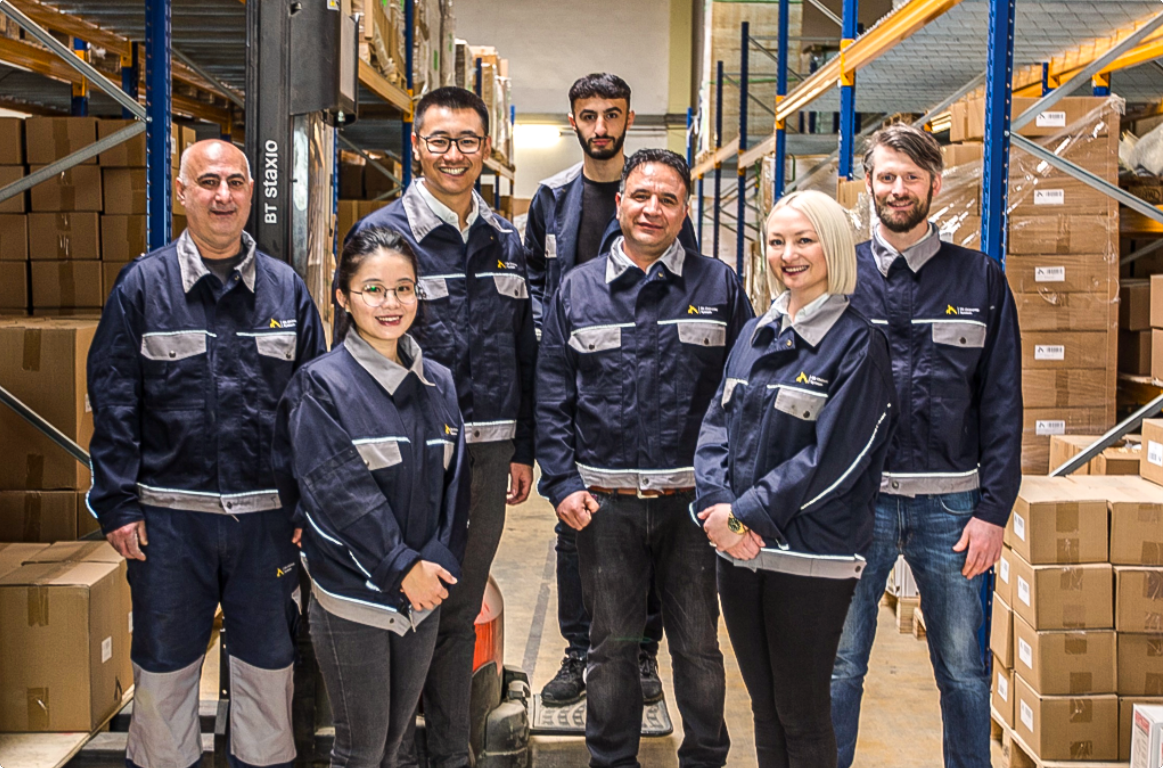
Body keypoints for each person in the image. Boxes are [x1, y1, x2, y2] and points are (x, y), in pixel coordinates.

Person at [86, 139, 327, 768]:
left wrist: (311, 508)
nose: (223, 195)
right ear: (182, 194)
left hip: (267, 525)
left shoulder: (286, 291)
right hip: (169, 524)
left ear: (251, 192)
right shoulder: (143, 287)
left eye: (235, 182)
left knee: (268, 675)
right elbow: (114, 400)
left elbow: (315, 413)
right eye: (208, 182)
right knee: (164, 676)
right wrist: (116, 504)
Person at [537, 148, 753, 768]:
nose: (652, 209)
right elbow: (551, 393)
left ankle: (705, 758)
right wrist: (561, 482)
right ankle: (612, 760)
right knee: (610, 648)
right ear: (620, 203)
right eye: (640, 196)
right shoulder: (578, 289)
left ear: (685, 211)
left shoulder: (718, 286)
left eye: (668, 199)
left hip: (693, 506)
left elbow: (743, 394)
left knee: (697, 647)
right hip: (605, 508)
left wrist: (730, 492)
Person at [346, 86, 536, 767]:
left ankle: (452, 753)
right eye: (440, 140)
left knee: (459, 606)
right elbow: (355, 352)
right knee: (402, 599)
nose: (454, 155)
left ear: (486, 148)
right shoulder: (382, 236)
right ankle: (395, 754)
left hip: (488, 453)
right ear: (417, 145)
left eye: (467, 141)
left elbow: (524, 348)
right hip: (410, 453)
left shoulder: (506, 240)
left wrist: (524, 448)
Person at [830, 124, 1022, 768]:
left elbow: (1002, 401)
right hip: (856, 507)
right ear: (868, 184)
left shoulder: (979, 279)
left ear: (935, 184)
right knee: (839, 666)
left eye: (911, 177)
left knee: (964, 672)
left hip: (953, 511)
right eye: (886, 176)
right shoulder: (839, 276)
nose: (898, 189)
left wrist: (994, 511)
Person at [694, 190, 896, 768]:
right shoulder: (757, 331)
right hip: (740, 552)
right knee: (765, 708)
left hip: (810, 556)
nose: (789, 255)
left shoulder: (857, 344)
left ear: (833, 247)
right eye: (777, 241)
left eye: (805, 240)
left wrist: (742, 516)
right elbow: (716, 425)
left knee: (802, 714)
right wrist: (716, 506)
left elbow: (835, 460)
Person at [272, 228, 470, 767]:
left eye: (404, 288)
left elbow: (457, 487)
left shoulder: (440, 383)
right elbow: (337, 493)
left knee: (395, 745)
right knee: (360, 750)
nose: (391, 303)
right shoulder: (321, 386)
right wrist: (401, 566)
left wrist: (436, 563)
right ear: (343, 297)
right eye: (373, 290)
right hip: (353, 597)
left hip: (422, 598)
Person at [524, 72, 676, 706]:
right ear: (573, 122)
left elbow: (682, 276)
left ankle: (641, 654)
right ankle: (580, 652)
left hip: (647, 383)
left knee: (650, 532)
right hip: (580, 381)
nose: (601, 127)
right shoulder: (551, 198)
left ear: (629, 119)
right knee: (574, 528)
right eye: (589, 115)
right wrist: (550, 337)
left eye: (612, 114)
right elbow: (533, 280)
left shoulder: (656, 194)